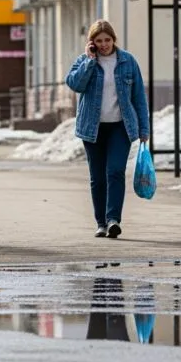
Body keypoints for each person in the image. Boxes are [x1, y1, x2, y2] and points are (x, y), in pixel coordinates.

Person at [65, 20, 150, 239]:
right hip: (92, 128)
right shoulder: (84, 61)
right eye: (99, 41)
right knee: (98, 177)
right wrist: (90, 62)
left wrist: (144, 128)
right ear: (91, 43)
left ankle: (113, 220)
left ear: (114, 40)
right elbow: (75, 84)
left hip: (120, 127)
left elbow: (139, 97)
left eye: (107, 40)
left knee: (114, 171)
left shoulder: (128, 62)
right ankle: (100, 223)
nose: (104, 45)